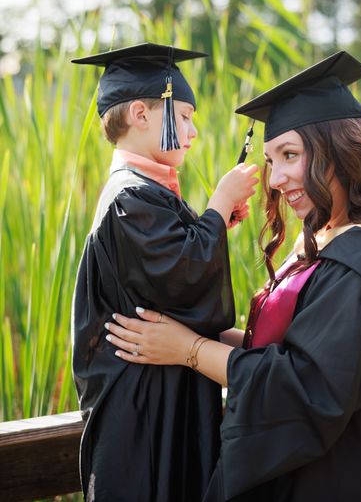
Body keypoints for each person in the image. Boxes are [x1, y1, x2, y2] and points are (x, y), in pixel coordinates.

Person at [105, 50, 361, 502]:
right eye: (271, 160)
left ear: (340, 152)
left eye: (290, 155)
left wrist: (191, 351)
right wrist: (182, 336)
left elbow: (303, 384)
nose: (275, 179)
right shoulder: (330, 246)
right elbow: (291, 348)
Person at [71, 42, 259, 502]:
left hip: (162, 391)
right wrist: (217, 205)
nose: (194, 132)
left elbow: (166, 282)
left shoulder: (145, 192)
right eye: (187, 116)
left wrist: (212, 227)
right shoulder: (129, 197)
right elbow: (182, 274)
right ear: (140, 114)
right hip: (142, 406)